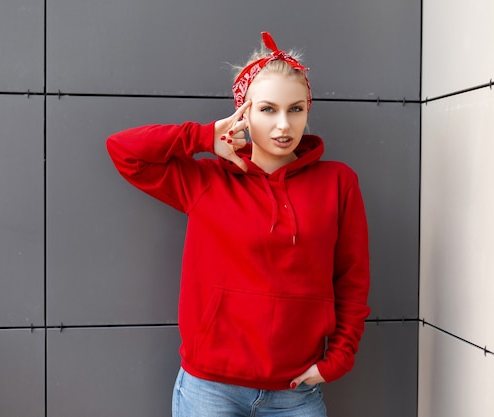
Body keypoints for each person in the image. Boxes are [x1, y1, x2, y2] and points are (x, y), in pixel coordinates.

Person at [106, 31, 370, 417]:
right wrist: (203, 136)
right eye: (268, 109)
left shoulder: (338, 182)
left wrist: (340, 358)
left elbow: (352, 277)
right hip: (211, 389)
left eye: (296, 109)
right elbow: (124, 150)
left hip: (295, 391)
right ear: (243, 111)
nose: (283, 125)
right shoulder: (208, 180)